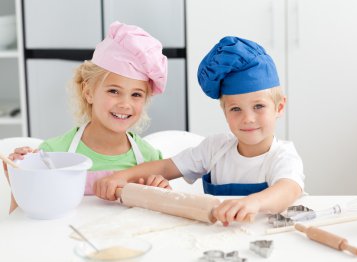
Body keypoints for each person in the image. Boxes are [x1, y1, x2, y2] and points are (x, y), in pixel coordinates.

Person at [93, 36, 305, 226]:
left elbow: (289, 188)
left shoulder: (283, 155)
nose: (248, 118)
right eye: (235, 109)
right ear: (224, 111)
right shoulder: (215, 149)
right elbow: (166, 167)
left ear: (279, 107)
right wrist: (121, 177)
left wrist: (254, 203)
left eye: (258, 106)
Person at [5, 22, 171, 212]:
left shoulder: (150, 158)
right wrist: (19, 180)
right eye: (114, 91)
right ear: (88, 92)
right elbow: (23, 218)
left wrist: (162, 194)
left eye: (136, 95)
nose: (125, 104)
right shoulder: (53, 153)